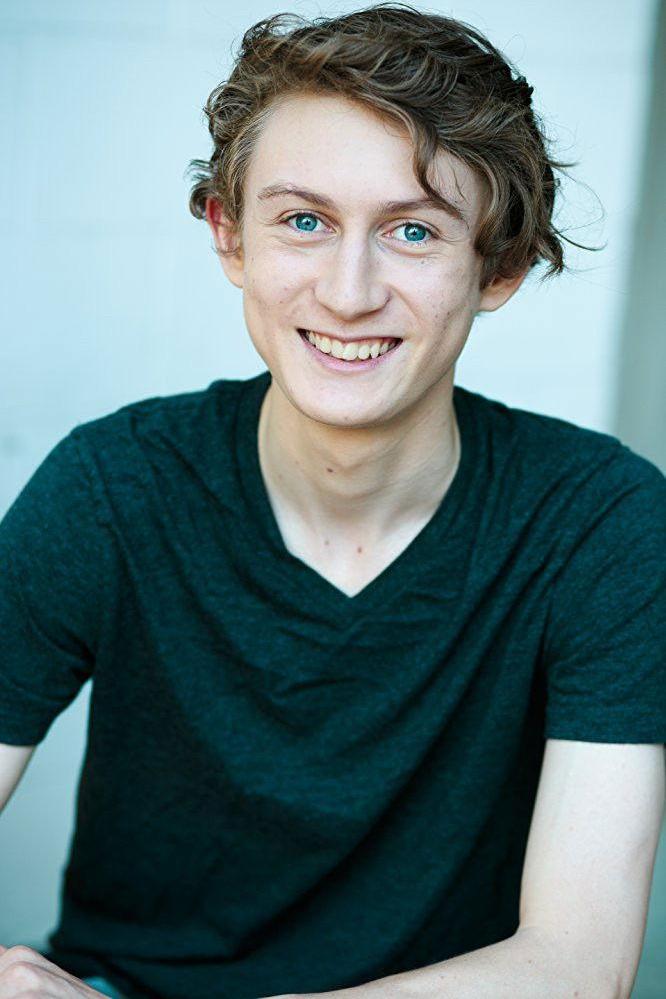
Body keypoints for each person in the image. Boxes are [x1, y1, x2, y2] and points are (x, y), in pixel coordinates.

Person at [0, 4, 664, 998]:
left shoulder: (601, 523)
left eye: (413, 231)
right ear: (232, 238)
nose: (349, 293)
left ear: (500, 267)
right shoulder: (112, 487)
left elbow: (578, 967)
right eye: (304, 221)